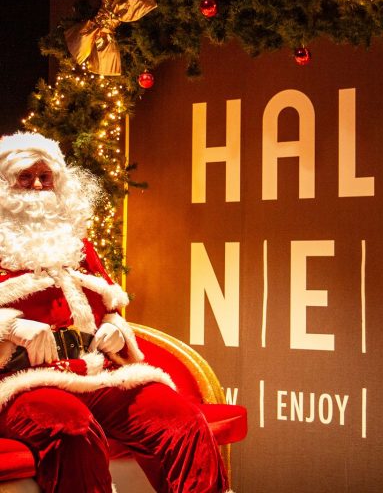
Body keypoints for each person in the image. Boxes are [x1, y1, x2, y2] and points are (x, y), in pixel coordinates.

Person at [0, 131, 229, 493]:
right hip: (19, 383)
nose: (38, 186)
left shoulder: (76, 243)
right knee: (72, 428)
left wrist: (115, 329)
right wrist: (10, 326)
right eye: (25, 177)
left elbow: (109, 305)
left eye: (45, 176)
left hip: (94, 373)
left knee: (180, 420)